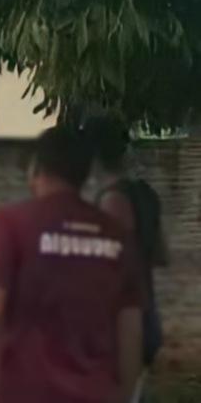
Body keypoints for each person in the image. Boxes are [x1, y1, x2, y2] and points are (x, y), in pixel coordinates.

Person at [0, 125, 143, 403]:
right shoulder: (118, 237)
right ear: (84, 175)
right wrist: (121, 395)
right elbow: (131, 332)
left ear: (35, 168)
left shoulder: (11, 224)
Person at [86, 117, 167, 398]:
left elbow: (112, 275)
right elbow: (160, 255)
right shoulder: (146, 195)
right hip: (148, 318)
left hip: (121, 330)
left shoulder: (111, 202)